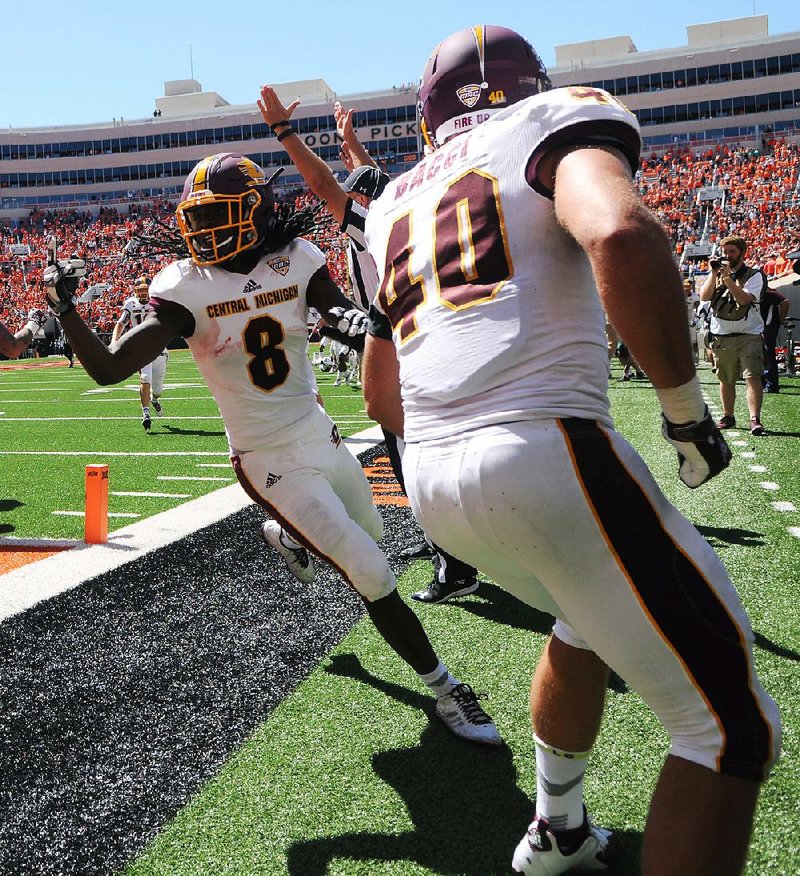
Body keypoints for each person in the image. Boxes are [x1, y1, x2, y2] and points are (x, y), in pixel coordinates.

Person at [360, 25, 780, 876]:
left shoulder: (388, 202)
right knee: (729, 730)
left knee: (579, 618)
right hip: (542, 448)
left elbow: (380, 397)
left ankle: (556, 828)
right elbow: (621, 233)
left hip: (435, 484)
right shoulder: (552, 118)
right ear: (528, 84)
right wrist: (685, 413)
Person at [44, 152, 500, 748]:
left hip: (317, 432)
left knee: (372, 540)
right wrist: (67, 311)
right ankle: (446, 689)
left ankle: (287, 535)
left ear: (255, 212)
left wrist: (363, 324)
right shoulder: (186, 289)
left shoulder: (297, 260)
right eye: (200, 220)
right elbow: (107, 368)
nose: (206, 232)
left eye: (220, 216)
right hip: (266, 457)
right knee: (371, 570)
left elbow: (334, 311)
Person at [259, 87, 481, 603]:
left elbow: (324, 187)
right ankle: (456, 546)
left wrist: (284, 133)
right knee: (421, 449)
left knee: (411, 459)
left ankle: (457, 562)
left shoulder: (374, 226)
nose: (354, 198)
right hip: (423, 337)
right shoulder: (411, 218)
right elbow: (371, 182)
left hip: (398, 345)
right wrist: (352, 144)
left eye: (358, 193)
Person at [698, 236, 767, 436]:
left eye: (732, 252)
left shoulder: (754, 275)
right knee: (726, 378)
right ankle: (728, 415)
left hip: (748, 334)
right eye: (725, 252)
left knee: (752, 376)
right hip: (722, 334)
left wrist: (727, 278)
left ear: (742, 253)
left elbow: (744, 300)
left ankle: (755, 419)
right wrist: (713, 272)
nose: (727, 256)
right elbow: (704, 296)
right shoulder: (718, 274)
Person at [111, 275, 169, 430]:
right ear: (136, 291)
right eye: (140, 290)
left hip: (159, 349)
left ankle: (154, 400)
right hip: (142, 349)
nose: (143, 293)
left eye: (146, 290)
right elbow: (121, 323)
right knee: (145, 378)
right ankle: (145, 413)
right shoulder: (131, 303)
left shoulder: (158, 302)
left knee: (157, 389)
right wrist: (113, 342)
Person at [759, 285, 790, 393]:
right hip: (760, 327)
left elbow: (785, 302)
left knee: (768, 355)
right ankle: (763, 383)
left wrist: (781, 320)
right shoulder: (757, 291)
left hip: (767, 327)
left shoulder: (769, 293)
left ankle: (771, 384)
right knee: (761, 355)